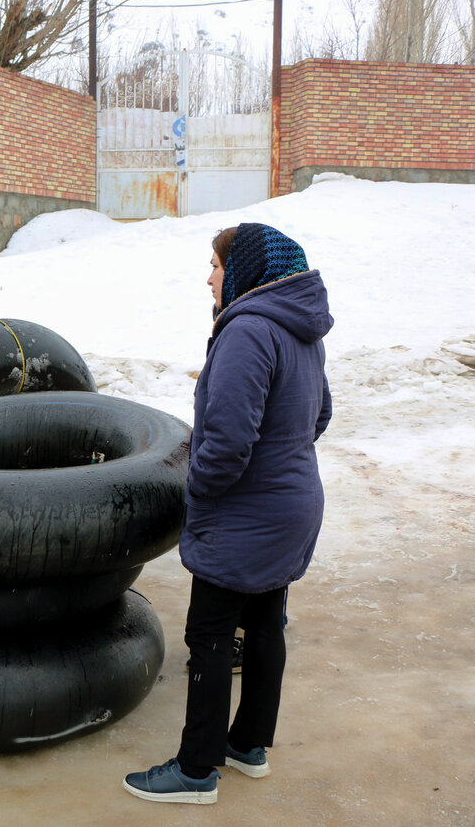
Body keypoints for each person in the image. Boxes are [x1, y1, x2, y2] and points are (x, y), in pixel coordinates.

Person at [124, 223, 333, 805]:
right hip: (293, 503)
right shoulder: (301, 329)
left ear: (243, 272)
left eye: (216, 265)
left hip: (246, 510)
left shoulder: (247, 330)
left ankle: (195, 772)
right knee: (266, 623)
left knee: (210, 634)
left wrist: (201, 488)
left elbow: (229, 439)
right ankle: (249, 745)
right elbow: (319, 416)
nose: (209, 278)